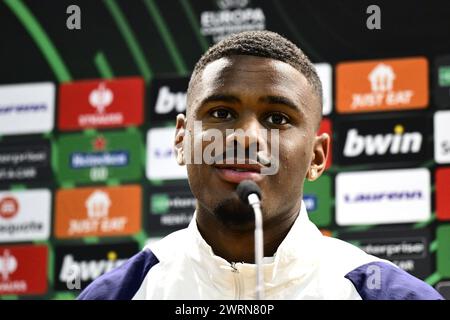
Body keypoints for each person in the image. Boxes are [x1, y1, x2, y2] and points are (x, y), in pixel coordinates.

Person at [78, 31, 443, 300]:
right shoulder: (117, 295)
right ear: (181, 140)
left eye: (277, 118)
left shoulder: (390, 295)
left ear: (316, 157)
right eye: (221, 113)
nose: (246, 136)